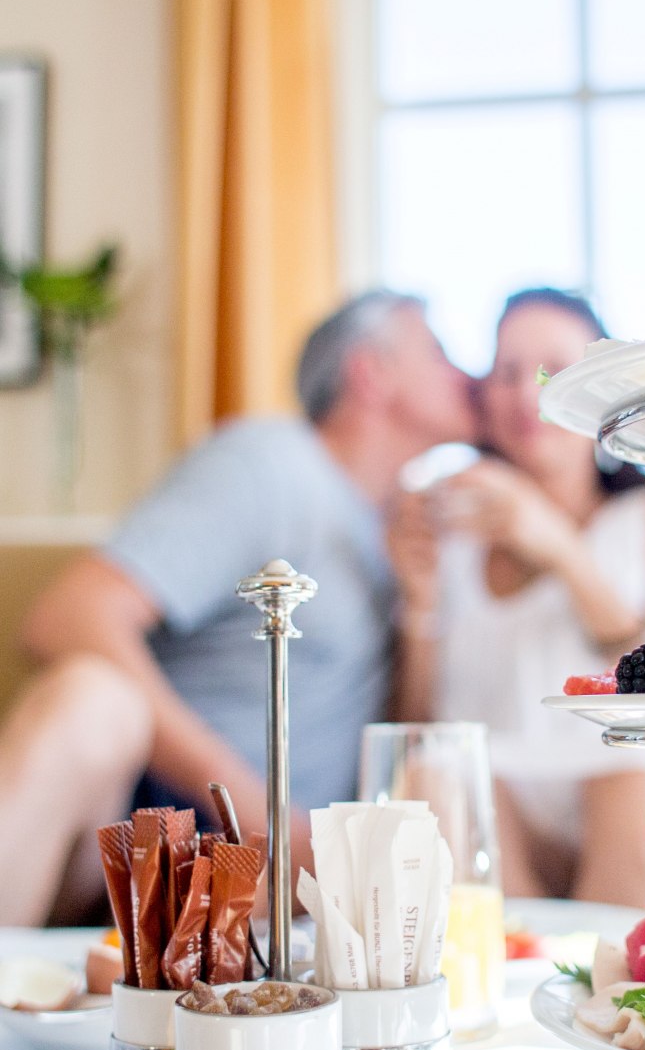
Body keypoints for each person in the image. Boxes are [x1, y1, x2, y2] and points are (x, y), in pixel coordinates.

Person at [0, 290, 476, 925]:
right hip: (159, 828)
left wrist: (421, 614)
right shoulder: (270, 464)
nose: (465, 375)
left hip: (286, 882)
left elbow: (397, 740)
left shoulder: (398, 531)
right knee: (91, 697)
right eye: (439, 352)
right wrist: (263, 819)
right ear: (371, 372)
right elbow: (69, 617)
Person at [388, 287, 645, 906]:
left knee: (632, 787)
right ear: (484, 401)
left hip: (636, 787)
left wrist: (561, 551)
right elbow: (418, 724)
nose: (528, 392)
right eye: (506, 372)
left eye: (552, 370)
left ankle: (620, 987)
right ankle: (498, 982)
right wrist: (418, 606)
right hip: (503, 800)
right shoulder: (446, 535)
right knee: (437, 782)